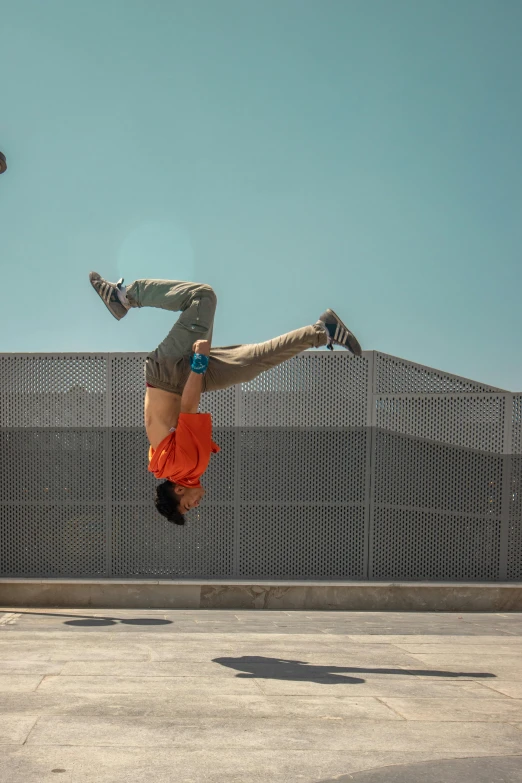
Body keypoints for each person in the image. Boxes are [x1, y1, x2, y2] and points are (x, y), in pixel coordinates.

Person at [89, 272, 362, 525]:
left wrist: (199, 361)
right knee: (251, 363)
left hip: (169, 372)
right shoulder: (179, 470)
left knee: (203, 297)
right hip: (180, 382)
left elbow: (187, 408)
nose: (195, 506)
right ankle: (323, 330)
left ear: (179, 490)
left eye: (186, 506)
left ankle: (123, 296)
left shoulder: (182, 466)